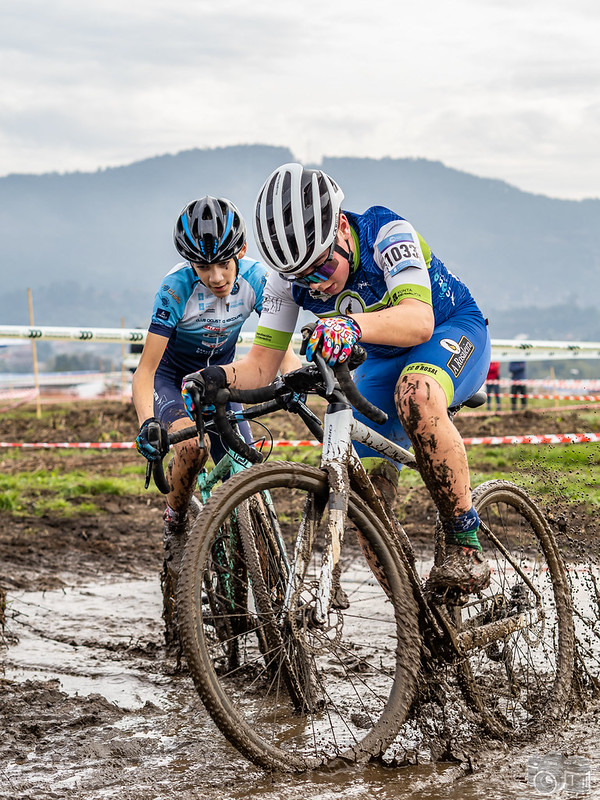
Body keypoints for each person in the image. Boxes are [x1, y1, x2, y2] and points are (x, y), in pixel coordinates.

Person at [182, 163, 492, 596]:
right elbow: (261, 365)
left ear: (342, 229)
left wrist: (350, 326)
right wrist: (214, 378)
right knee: (364, 496)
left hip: (449, 330)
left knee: (416, 395)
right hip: (381, 358)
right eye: (302, 278)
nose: (316, 285)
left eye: (322, 268)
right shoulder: (285, 281)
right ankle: (417, 614)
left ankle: (465, 542)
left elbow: (419, 321)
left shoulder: (387, 232)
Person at [132, 196, 300, 649]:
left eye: (223, 263)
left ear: (240, 251)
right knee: (190, 447)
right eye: (203, 267)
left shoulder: (259, 281)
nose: (216, 277)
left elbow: (276, 346)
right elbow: (146, 371)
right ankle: (177, 520)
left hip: (220, 381)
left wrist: (295, 376)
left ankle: (265, 597)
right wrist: (149, 422)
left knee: (251, 478)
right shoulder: (174, 288)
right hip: (173, 380)